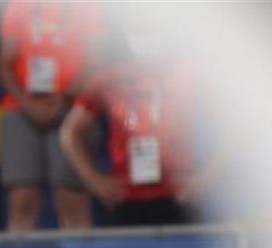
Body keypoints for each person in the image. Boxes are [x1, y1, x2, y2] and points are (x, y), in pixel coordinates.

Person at [59, 19, 214, 227]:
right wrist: (94, 181)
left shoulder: (189, 73)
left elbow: (236, 126)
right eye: (138, 28)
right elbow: (70, 133)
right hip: (126, 198)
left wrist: (206, 177)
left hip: (179, 196)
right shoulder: (109, 78)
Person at [0, 0, 106, 230]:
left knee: (72, 198)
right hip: (21, 107)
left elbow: (96, 62)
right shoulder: (19, 6)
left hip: (73, 109)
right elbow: (5, 64)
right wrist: (28, 103)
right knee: (21, 199)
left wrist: (64, 99)